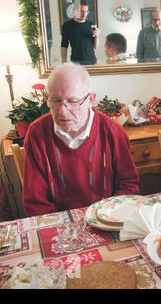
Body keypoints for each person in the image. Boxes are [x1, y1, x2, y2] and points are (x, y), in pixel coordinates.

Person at [23, 63, 140, 216]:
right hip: (58, 225)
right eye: (56, 101)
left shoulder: (113, 132)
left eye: (72, 101)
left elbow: (128, 185)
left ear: (91, 100)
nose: (63, 112)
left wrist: (105, 218)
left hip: (106, 219)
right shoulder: (37, 133)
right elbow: (35, 202)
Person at [61, 0, 100, 65]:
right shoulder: (67, 25)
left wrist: (97, 36)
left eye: (86, 11)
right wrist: (64, 61)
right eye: (81, 11)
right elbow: (64, 45)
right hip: (76, 62)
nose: (84, 14)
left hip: (92, 61)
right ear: (74, 11)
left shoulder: (91, 24)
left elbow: (95, 47)